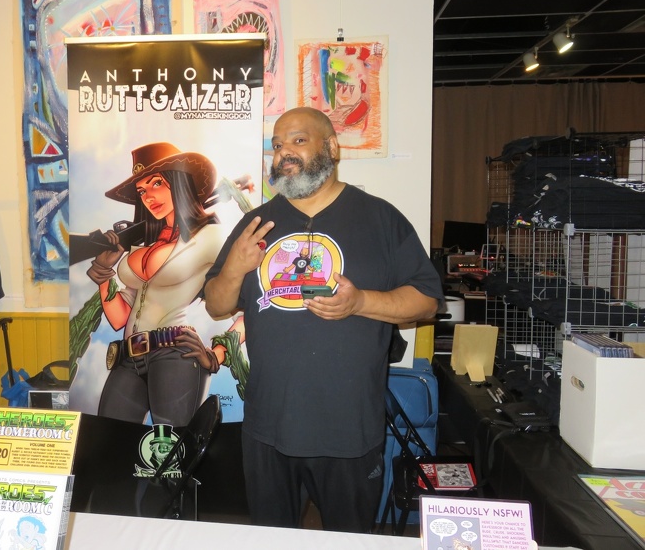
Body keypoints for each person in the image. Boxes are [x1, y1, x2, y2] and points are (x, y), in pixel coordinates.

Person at [203, 106, 443, 533]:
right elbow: (217, 306)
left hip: (348, 431)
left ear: (331, 147)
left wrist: (360, 302)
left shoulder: (379, 218)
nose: (284, 153)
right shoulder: (256, 223)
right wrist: (236, 266)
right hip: (268, 429)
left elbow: (426, 301)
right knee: (268, 541)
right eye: (277, 145)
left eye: (297, 140)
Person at [85, 142, 225, 426]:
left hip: (177, 354)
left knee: (171, 456)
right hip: (128, 356)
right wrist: (103, 270)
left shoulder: (213, 236)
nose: (148, 196)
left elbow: (250, 304)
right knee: (108, 443)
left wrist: (216, 356)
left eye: (157, 183)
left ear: (179, 181)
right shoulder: (143, 244)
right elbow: (120, 316)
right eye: (141, 190)